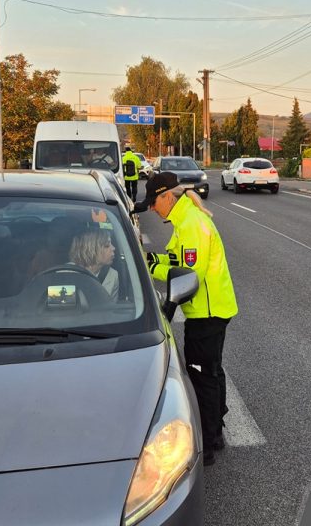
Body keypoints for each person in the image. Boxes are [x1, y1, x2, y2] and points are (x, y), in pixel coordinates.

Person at [136, 172, 237, 466]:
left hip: (207, 312)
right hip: (213, 308)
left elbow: (189, 276)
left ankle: (207, 443)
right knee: (212, 371)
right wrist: (152, 261)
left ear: (167, 195)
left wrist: (150, 273)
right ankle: (216, 429)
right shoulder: (185, 221)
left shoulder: (192, 224)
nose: (153, 208)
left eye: (154, 202)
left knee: (203, 375)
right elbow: (178, 261)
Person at [68, 227, 119, 299]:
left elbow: (113, 308)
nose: (113, 248)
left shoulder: (112, 276)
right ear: (90, 249)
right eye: (107, 245)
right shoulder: (65, 273)